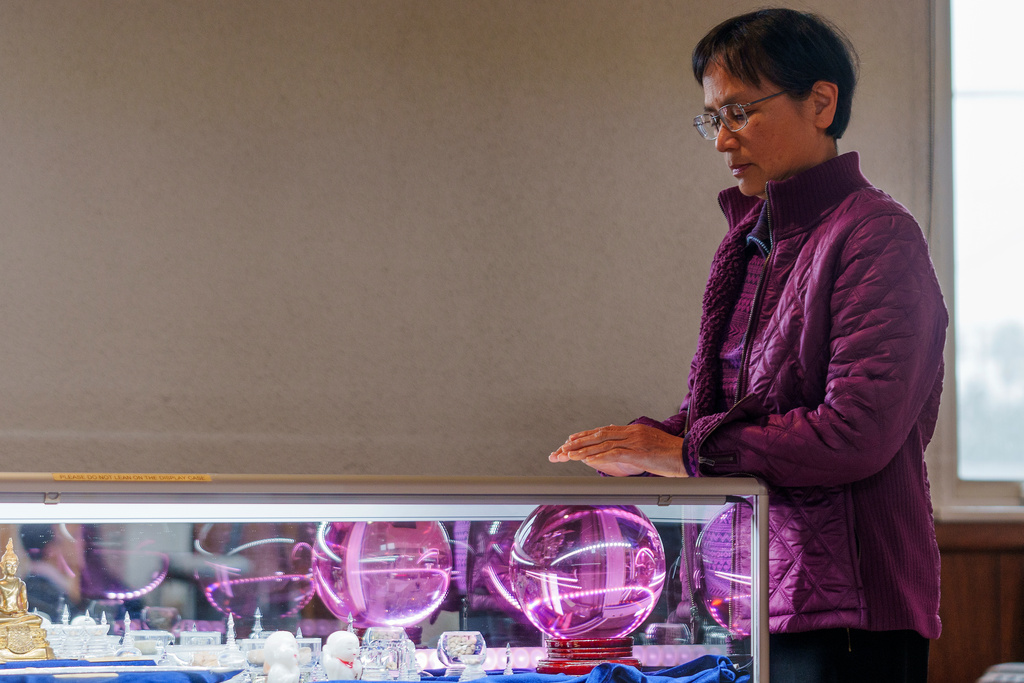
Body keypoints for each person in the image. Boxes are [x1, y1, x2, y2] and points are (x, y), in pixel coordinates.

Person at [549, 8, 945, 683]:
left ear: (821, 102)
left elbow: (854, 434)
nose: (721, 141)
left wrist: (682, 451)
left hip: (852, 616)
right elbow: (733, 415)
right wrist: (645, 444)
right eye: (712, 118)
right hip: (763, 597)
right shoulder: (751, 242)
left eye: (739, 113)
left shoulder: (878, 235)